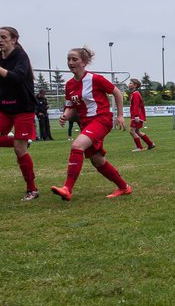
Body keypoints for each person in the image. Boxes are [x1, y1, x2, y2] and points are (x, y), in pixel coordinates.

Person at [49, 48, 132, 201]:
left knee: (77, 146)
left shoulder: (95, 79)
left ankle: (67, 188)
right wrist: (65, 116)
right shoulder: (69, 85)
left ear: (84, 62)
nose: (70, 62)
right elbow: (70, 106)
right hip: (85, 124)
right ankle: (123, 187)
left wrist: (120, 115)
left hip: (102, 119)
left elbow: (117, 93)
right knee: (97, 160)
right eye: (68, 59)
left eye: (75, 59)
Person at [0, 26, 39, 200]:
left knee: (19, 151)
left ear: (13, 39)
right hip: (4, 108)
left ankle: (32, 190)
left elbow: (16, 77)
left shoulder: (21, 56)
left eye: (3, 37)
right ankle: (22, 142)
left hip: (23, 108)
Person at [127, 79, 156, 151]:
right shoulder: (134, 94)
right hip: (138, 116)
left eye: (130, 83)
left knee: (132, 131)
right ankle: (150, 144)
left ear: (135, 85)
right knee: (137, 131)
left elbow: (136, 106)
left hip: (137, 116)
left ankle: (139, 147)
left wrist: (136, 116)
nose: (129, 84)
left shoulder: (136, 94)